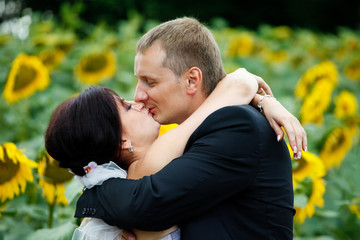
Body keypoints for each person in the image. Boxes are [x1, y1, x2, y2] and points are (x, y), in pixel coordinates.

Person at [72, 17, 306, 239]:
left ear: (192, 80)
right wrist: (256, 97)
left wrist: (94, 194)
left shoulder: (237, 127)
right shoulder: (205, 127)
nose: (138, 96)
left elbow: (146, 204)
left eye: (150, 82)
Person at [45, 69, 260, 239]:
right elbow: (233, 91)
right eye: (126, 108)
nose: (137, 102)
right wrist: (254, 93)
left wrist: (262, 101)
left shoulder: (123, 189)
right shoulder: (151, 165)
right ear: (123, 141)